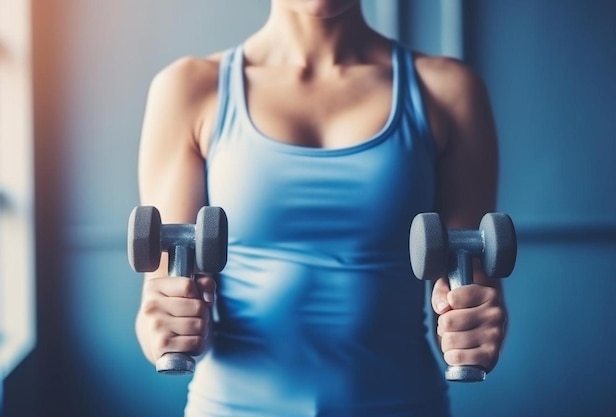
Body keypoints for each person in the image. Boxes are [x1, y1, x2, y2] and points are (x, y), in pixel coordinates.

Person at [134, 1, 507, 415]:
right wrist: (164, 329)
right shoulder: (189, 89)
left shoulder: (448, 90)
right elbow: (161, 294)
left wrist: (476, 326)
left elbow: (472, 290)